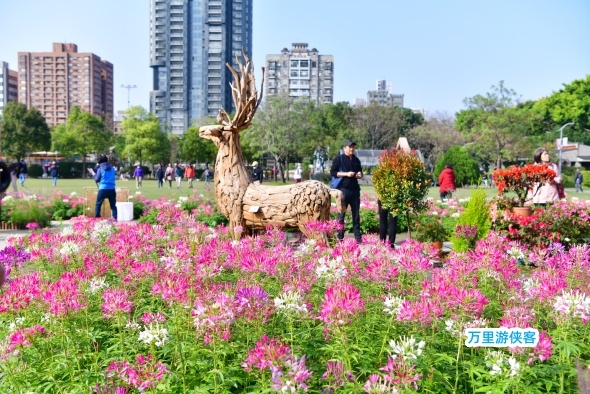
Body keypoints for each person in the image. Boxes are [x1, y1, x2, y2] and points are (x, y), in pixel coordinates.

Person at [330, 139, 363, 243]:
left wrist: (359, 175)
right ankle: (340, 237)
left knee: (356, 215)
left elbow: (360, 172)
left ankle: (358, 237)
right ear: (344, 148)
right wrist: (346, 174)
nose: (352, 149)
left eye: (353, 147)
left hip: (354, 190)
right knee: (341, 215)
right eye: (350, 147)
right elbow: (333, 172)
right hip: (343, 190)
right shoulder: (339, 159)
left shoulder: (356, 160)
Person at [94, 154, 118, 221]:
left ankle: (97, 218)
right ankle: (115, 218)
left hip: (103, 188)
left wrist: (93, 174)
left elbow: (97, 179)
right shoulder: (112, 168)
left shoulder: (100, 169)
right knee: (113, 205)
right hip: (112, 188)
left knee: (98, 204)